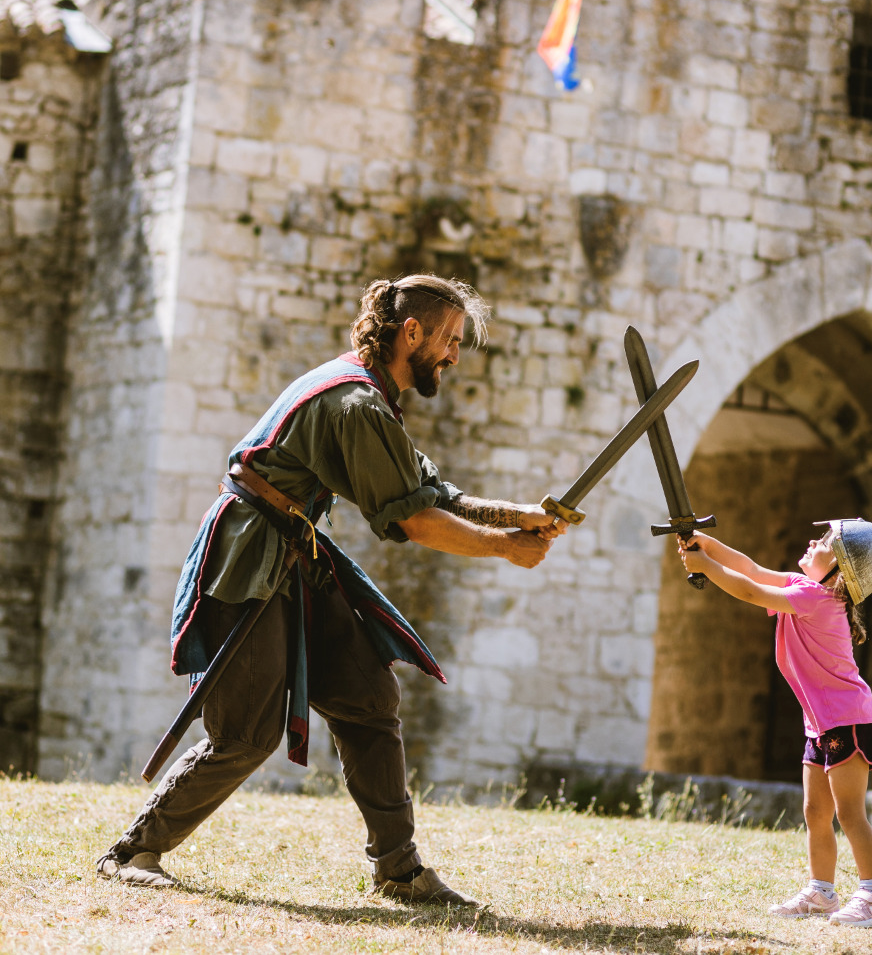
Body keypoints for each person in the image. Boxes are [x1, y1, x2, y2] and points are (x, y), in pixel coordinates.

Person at [96, 274, 567, 904]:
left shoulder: (370, 395)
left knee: (370, 699)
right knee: (245, 733)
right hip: (248, 556)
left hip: (292, 555)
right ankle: (134, 851)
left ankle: (399, 872)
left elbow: (432, 492)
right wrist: (508, 550)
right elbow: (412, 520)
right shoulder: (357, 404)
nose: (456, 355)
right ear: (412, 332)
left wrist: (518, 517)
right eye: (450, 340)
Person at [679, 518, 872, 929]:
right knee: (816, 811)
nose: (812, 541)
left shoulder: (815, 598)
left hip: (847, 720)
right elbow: (751, 569)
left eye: (824, 543)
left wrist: (706, 567)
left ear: (841, 571)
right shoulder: (805, 589)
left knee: (850, 813)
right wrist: (707, 545)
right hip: (820, 723)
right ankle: (822, 892)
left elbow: (747, 589)